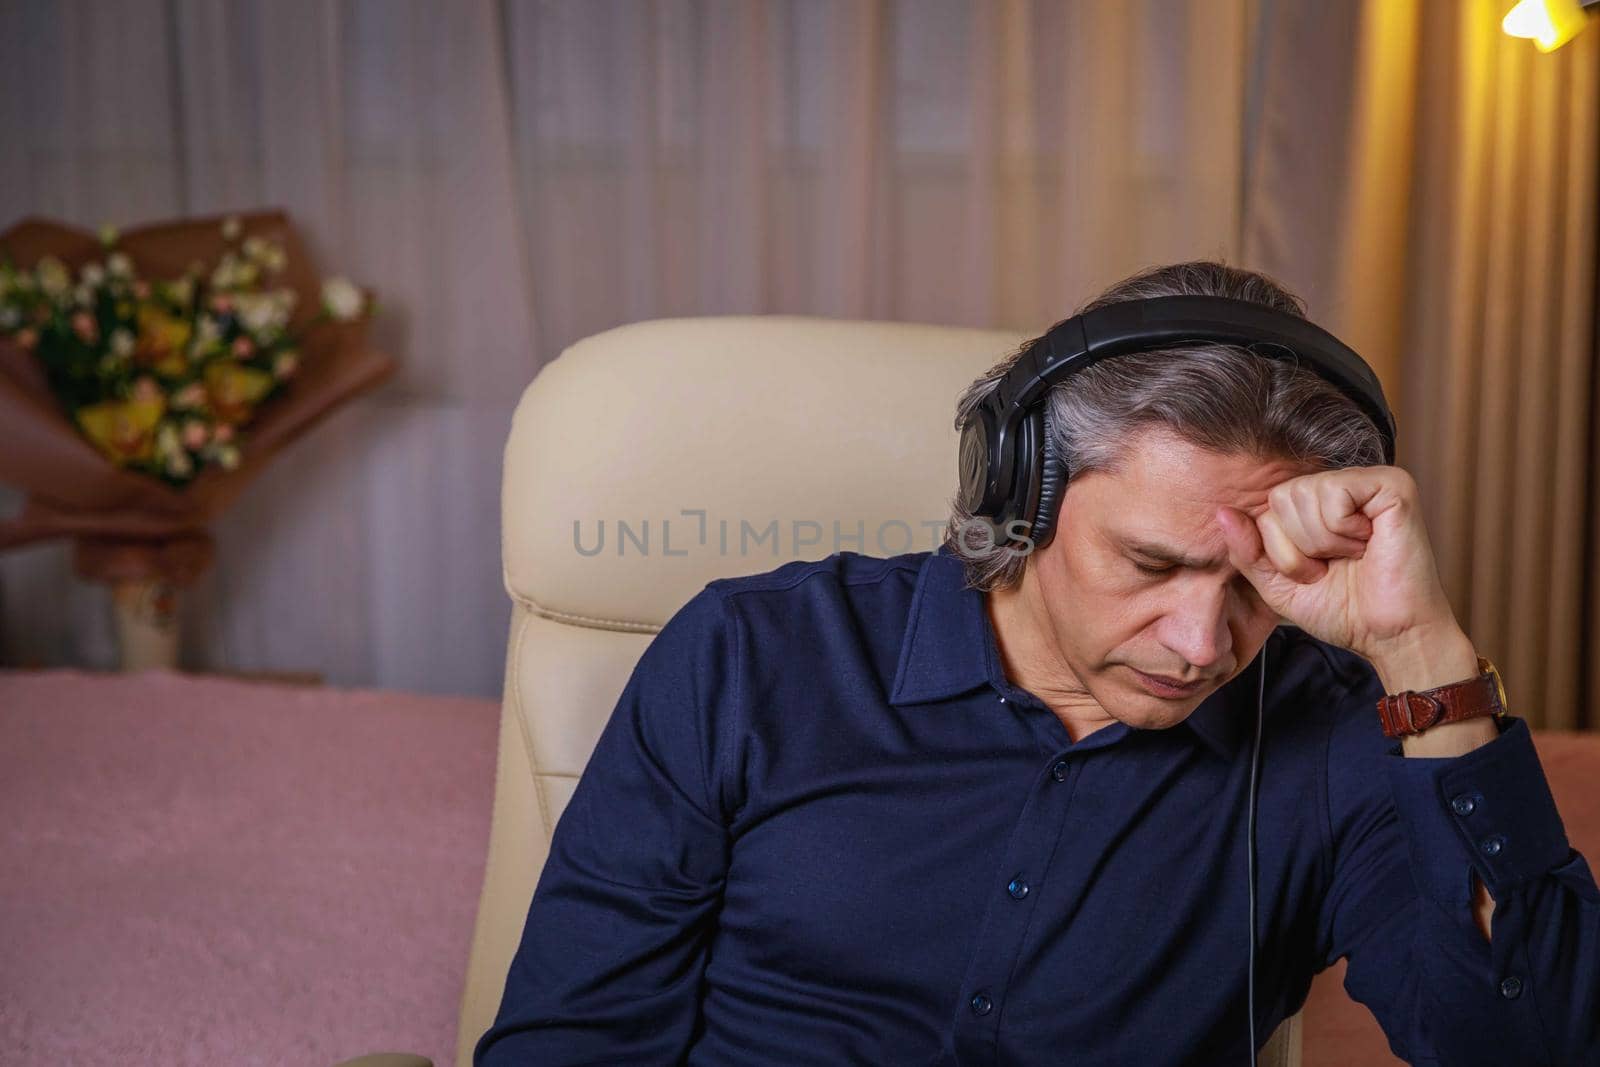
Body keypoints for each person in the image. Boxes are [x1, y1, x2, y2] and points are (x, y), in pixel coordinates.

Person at [474, 261, 1599, 1066]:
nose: (1201, 644)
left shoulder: (1344, 727)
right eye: (1150, 563)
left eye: (1254, 587)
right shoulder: (750, 658)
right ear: (1016, 502)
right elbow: (575, 1036)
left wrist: (1421, 649)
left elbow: (1529, 1042)